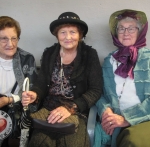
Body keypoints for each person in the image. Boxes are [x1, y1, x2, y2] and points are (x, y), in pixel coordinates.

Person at [21, 11, 103, 147]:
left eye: (73, 32)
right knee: (39, 143)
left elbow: (95, 90)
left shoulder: (89, 55)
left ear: (80, 35)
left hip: (76, 112)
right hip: (48, 110)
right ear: (57, 35)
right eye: (63, 32)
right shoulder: (49, 53)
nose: (68, 37)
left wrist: (70, 107)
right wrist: (34, 94)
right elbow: (41, 83)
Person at [94, 9, 150, 147]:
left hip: (145, 119)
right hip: (113, 119)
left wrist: (126, 118)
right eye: (121, 29)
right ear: (115, 33)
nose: (126, 33)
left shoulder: (149, 59)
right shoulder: (109, 61)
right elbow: (98, 92)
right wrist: (105, 111)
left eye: (131, 28)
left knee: (133, 141)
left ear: (140, 31)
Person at [0, 16, 38, 147]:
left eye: (14, 38)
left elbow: (31, 91)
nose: (10, 44)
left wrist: (9, 100)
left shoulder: (26, 58)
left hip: (16, 109)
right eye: (4, 39)